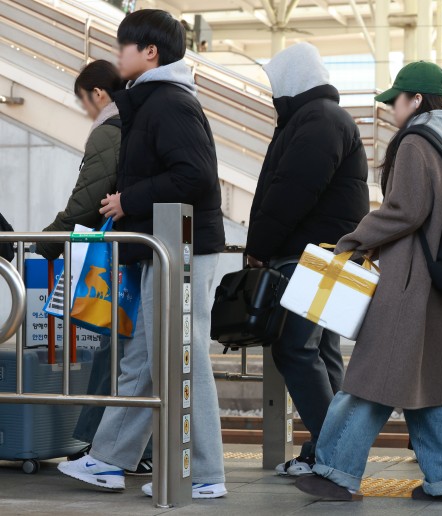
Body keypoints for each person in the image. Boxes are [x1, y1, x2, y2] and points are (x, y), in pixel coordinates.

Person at [57, 9, 227, 499]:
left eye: (122, 47)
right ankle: (109, 460)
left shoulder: (169, 102)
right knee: (146, 360)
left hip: (182, 248)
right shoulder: (155, 101)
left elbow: (194, 177)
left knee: (180, 358)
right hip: (167, 247)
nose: (116, 56)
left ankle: (204, 472)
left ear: (149, 51)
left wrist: (127, 200)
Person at [294, 61, 442, 504]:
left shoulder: (417, 140)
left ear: (416, 100)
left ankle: (335, 472)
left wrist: (354, 240)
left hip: (409, 279)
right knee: (436, 384)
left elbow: (405, 210)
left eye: (396, 100)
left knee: (369, 379)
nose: (391, 108)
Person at [245, 42, 369, 476]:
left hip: (313, 256)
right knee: (322, 352)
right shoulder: (322, 119)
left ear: (291, 80)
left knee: (296, 350)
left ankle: (332, 452)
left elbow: (290, 193)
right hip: (331, 254)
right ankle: (335, 450)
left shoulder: (317, 120)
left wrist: (258, 245)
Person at [34, 59, 153, 476]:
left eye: (84, 101)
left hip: (123, 253)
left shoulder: (110, 129)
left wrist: (48, 241)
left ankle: (96, 445)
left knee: (116, 346)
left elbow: (87, 198)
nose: (86, 110)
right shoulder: (141, 120)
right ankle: (136, 448)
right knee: (137, 352)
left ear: (98, 94)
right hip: (147, 249)